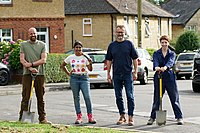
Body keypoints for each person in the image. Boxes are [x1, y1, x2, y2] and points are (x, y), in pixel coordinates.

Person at [147, 35, 184, 125]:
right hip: (159, 76)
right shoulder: (156, 53)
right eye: (162, 42)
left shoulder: (172, 53)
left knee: (174, 97)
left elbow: (171, 62)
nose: (164, 44)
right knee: (157, 98)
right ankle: (152, 117)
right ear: (160, 43)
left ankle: (179, 117)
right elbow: (155, 61)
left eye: (165, 42)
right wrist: (156, 67)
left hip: (169, 76)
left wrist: (165, 67)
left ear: (168, 43)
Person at [106, 25, 138, 126]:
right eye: (118, 32)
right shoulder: (112, 46)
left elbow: (135, 59)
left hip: (127, 73)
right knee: (118, 96)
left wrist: (135, 71)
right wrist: (108, 74)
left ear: (124, 33)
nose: (120, 34)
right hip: (116, 74)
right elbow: (109, 60)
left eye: (122, 32)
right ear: (115, 33)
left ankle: (131, 117)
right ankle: (122, 115)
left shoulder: (129, 44)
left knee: (130, 96)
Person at [19, 27, 51, 124]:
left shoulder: (42, 45)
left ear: (37, 34)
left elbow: (43, 60)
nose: (33, 35)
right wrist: (30, 68)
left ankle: (42, 118)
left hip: (39, 74)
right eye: (31, 34)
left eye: (34, 33)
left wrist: (32, 65)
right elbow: (22, 60)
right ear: (28, 35)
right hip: (27, 74)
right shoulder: (23, 45)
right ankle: (22, 118)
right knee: (26, 96)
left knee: (40, 96)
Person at [61, 41, 96, 124]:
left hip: (84, 78)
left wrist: (90, 63)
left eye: (80, 47)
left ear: (82, 48)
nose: (78, 49)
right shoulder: (71, 57)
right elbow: (62, 65)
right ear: (74, 49)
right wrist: (68, 73)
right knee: (76, 98)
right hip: (74, 78)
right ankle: (79, 116)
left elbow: (90, 69)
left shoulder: (85, 57)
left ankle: (90, 116)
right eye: (76, 47)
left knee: (87, 97)